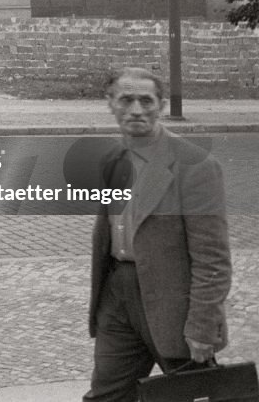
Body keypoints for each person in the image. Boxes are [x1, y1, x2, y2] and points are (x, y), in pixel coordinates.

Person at [84, 67, 232, 402]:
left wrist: (203, 327)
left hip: (173, 305)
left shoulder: (195, 165)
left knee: (186, 395)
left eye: (146, 101)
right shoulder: (111, 159)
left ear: (161, 105)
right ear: (110, 104)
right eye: (126, 99)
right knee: (107, 395)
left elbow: (213, 259)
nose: (136, 110)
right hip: (118, 296)